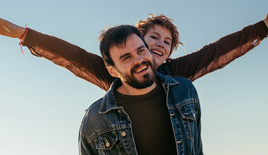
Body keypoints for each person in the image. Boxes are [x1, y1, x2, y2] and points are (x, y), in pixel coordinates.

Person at [0, 8, 268, 90]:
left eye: (167, 42)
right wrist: (25, 34)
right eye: (154, 38)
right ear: (139, 39)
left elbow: (216, 52)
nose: (161, 45)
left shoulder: (178, 74)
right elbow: (71, 56)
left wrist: (260, 29)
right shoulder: (113, 75)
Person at [79, 25, 202, 155]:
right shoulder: (95, 119)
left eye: (141, 51)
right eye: (126, 58)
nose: (139, 60)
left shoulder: (184, 91)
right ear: (112, 71)